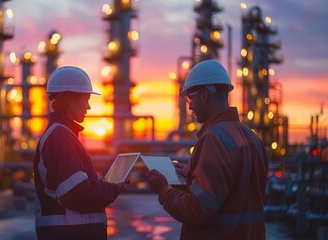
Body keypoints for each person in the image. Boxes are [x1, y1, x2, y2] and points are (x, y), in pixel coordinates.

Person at [148, 60, 269, 239]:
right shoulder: (252, 138)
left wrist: (163, 190)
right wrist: (192, 175)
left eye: (191, 98)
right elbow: (234, 195)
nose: (189, 106)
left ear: (204, 94)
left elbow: (198, 210)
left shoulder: (214, 139)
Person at [33, 66, 128, 240]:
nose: (89, 106)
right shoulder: (60, 137)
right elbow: (77, 193)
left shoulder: (62, 134)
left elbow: (73, 187)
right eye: (86, 100)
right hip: (70, 234)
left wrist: (100, 185)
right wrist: (112, 188)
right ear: (70, 100)